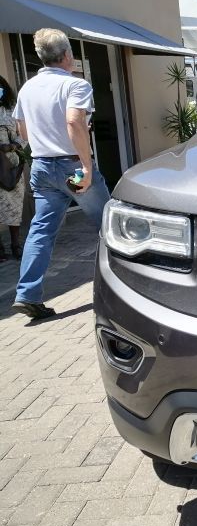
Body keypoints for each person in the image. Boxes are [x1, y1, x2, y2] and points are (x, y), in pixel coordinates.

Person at [11, 28, 110, 320]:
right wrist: (87, 167)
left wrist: (44, 144)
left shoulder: (27, 88)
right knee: (109, 225)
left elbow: (22, 131)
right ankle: (127, 288)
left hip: (42, 166)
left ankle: (27, 294)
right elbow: (74, 122)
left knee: (41, 231)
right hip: (73, 167)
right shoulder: (75, 86)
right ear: (67, 55)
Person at [0, 74, 25, 263]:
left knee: (14, 208)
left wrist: (13, 146)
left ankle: (16, 245)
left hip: (11, 166)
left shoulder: (11, 110)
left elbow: (23, 134)